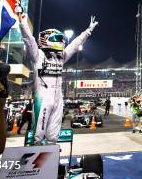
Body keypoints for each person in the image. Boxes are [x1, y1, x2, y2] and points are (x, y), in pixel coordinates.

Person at [18, 10, 98, 144]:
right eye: (57, 39)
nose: (61, 42)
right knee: (38, 135)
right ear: (46, 40)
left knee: (53, 136)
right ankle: (35, 160)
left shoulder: (60, 57)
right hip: (42, 97)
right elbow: (29, 40)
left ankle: (51, 159)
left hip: (58, 97)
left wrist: (88, 30)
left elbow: (75, 44)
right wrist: (23, 23)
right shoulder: (37, 55)